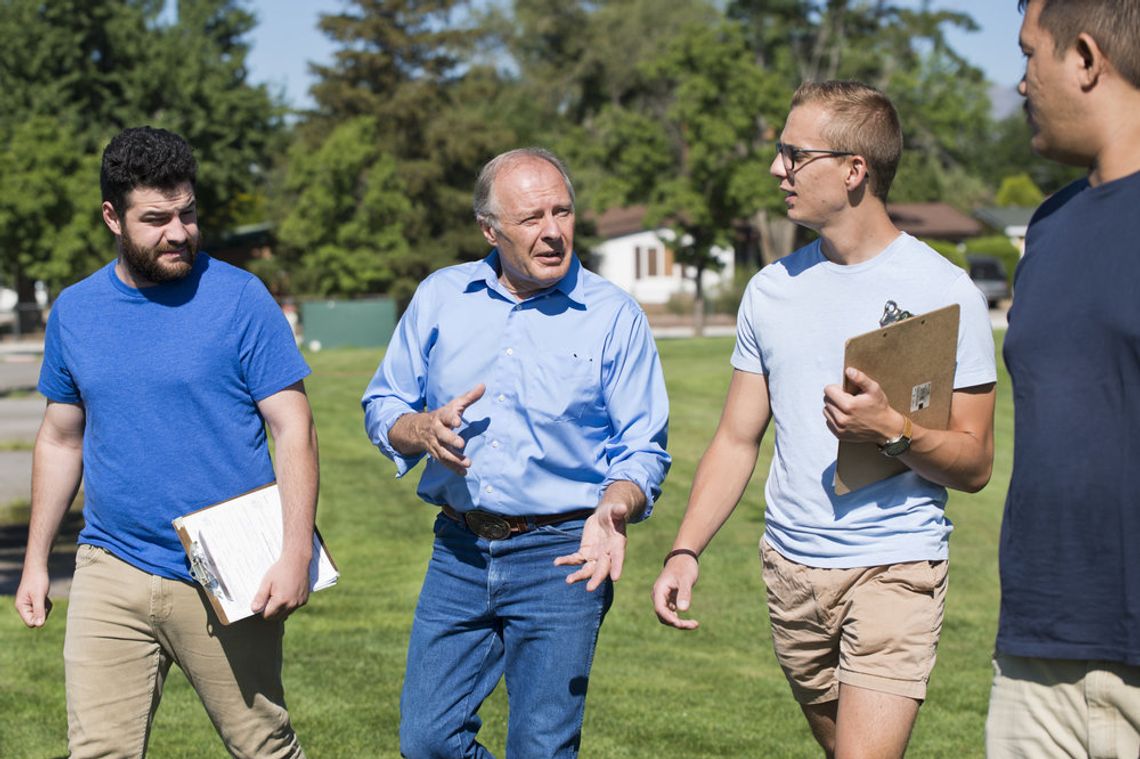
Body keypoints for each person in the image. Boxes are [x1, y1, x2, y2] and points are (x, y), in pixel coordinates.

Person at [651, 80, 997, 758]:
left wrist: (893, 431)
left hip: (895, 564)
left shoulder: (946, 292)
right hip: (793, 573)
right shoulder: (771, 289)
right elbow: (735, 437)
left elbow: (976, 462)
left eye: (793, 153)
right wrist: (684, 548)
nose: (777, 169)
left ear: (853, 169)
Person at [14, 126, 318, 758]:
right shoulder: (75, 311)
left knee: (263, 746)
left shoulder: (239, 298)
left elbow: (293, 425)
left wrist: (295, 554)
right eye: (156, 219)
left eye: (187, 213)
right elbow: (60, 439)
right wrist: (38, 559)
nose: (178, 232)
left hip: (231, 570)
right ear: (111, 218)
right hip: (109, 565)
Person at [362, 147, 670, 758]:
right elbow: (383, 404)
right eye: (532, 218)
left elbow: (643, 448)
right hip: (458, 552)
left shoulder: (614, 316)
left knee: (542, 747)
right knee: (427, 741)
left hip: (562, 556)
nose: (553, 231)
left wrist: (615, 505)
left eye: (563, 212)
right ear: (490, 230)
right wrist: (419, 429)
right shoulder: (440, 297)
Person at [985, 2, 1140, 756]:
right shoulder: (1047, 226)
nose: (1019, 83)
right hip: (1037, 657)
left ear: (1084, 58)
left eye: (1028, 54)